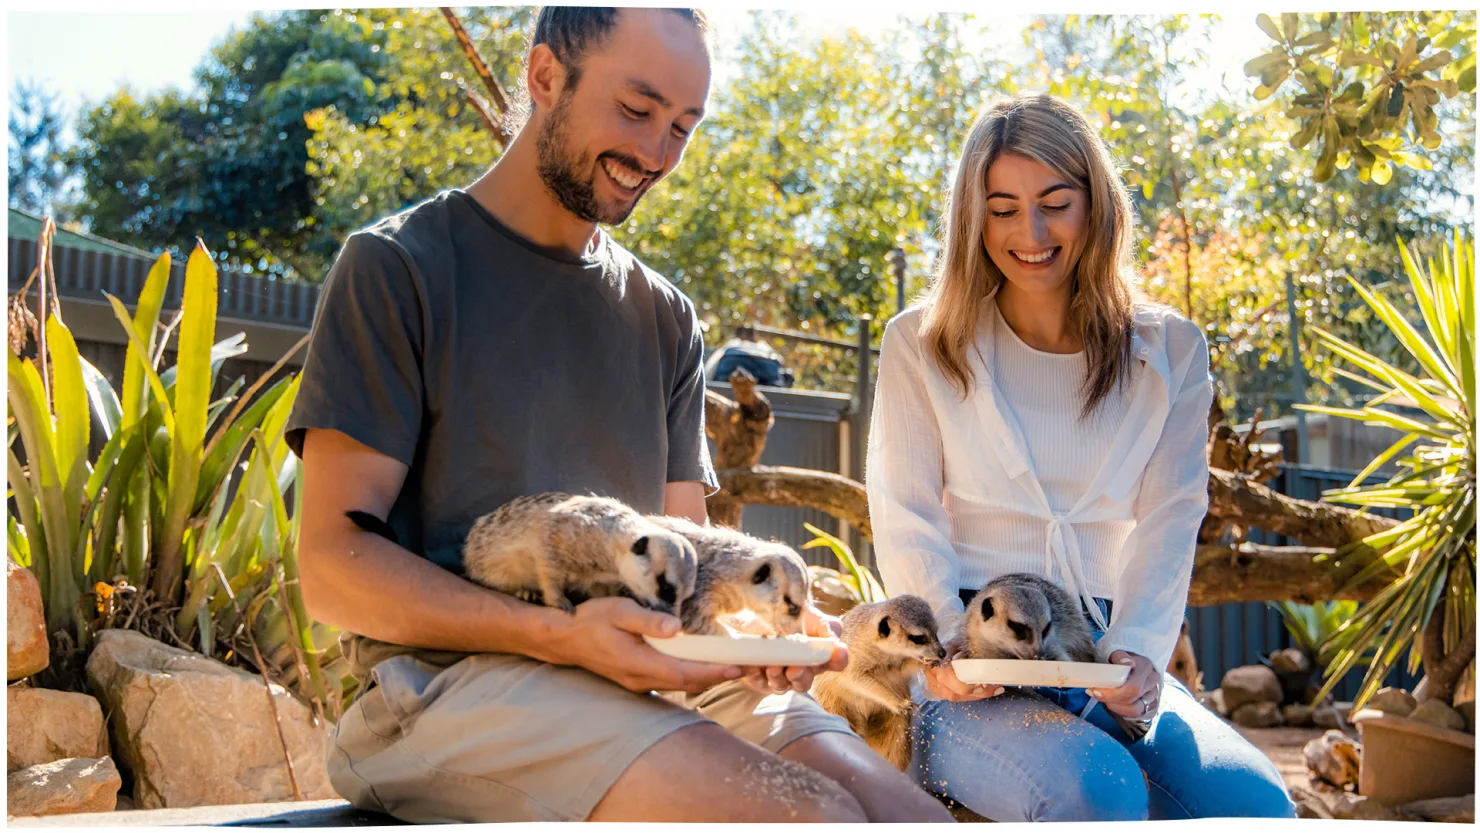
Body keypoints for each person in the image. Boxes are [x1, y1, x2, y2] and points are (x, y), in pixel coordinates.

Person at [286, 6, 953, 824]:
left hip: (640, 685)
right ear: (543, 78)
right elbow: (330, 566)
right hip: (445, 689)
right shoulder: (397, 268)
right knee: (810, 817)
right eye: (637, 110)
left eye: (683, 125)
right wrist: (564, 636)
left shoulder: (666, 316)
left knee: (910, 819)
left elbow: (693, 572)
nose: (657, 153)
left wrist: (759, 642)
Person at [865, 93, 1296, 822]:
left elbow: (1171, 514)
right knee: (1097, 792)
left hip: (1101, 645)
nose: (1028, 232)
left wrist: (1137, 652)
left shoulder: (1171, 350)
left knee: (1255, 805)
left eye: (1055, 202)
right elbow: (903, 510)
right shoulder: (920, 341)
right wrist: (941, 653)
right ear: (973, 217)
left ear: (1096, 205)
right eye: (1001, 208)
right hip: (970, 653)